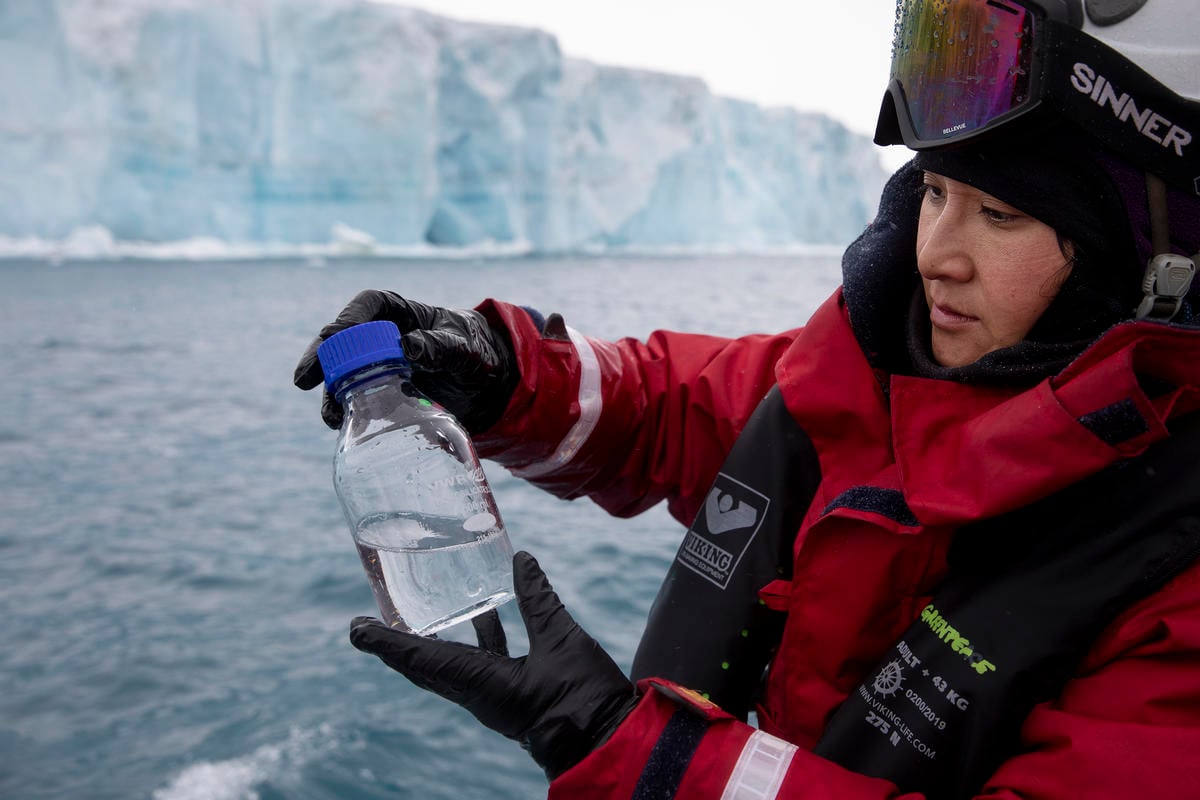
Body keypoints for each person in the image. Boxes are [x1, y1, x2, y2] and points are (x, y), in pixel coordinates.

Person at [293, 1, 1200, 797]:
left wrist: (623, 747)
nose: (938, 254)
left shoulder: (1176, 575)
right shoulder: (873, 374)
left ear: (1147, 260)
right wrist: (500, 372)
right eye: (934, 191)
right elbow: (676, 407)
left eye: (1000, 216)